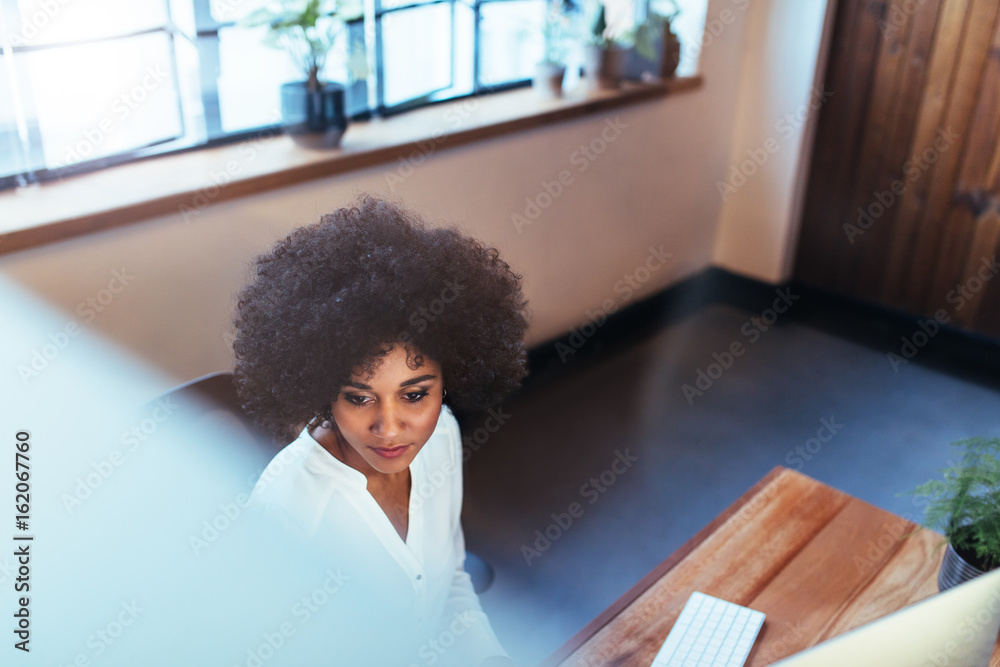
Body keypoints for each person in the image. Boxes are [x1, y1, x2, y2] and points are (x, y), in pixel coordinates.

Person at [234, 196, 528, 666]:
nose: (389, 429)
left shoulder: (443, 436)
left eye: (414, 395)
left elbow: (451, 583)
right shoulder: (286, 509)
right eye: (358, 397)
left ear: (451, 380)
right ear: (323, 390)